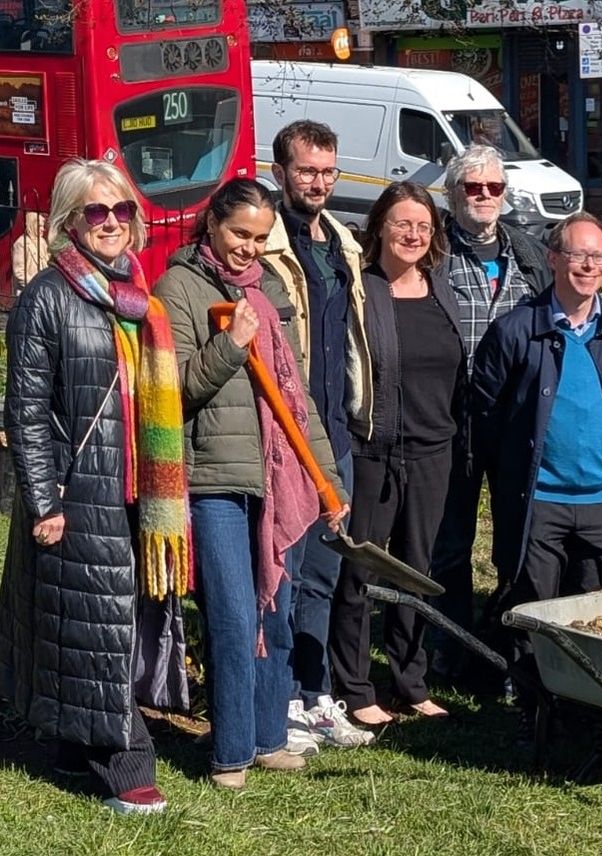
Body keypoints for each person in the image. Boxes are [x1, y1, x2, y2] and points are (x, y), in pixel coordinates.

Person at [0, 159, 191, 814]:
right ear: (68, 222)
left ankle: (69, 745)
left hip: (137, 490)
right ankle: (127, 761)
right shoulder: (47, 297)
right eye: (96, 212)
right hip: (79, 496)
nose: (111, 223)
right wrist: (44, 501)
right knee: (100, 623)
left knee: (104, 621)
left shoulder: (139, 297)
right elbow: (23, 412)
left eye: (121, 211)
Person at [154, 178, 349, 790]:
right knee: (235, 616)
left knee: (277, 610)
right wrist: (232, 345)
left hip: (276, 477)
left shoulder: (264, 290)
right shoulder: (176, 288)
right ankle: (231, 750)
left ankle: (268, 737)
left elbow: (296, 401)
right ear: (211, 223)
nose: (250, 248)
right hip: (211, 478)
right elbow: (175, 387)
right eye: (241, 233)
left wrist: (329, 482)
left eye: (261, 238)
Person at [472, 212, 602, 725]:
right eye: (578, 255)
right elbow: (485, 412)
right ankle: (535, 708)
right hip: (542, 502)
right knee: (537, 608)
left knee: (597, 610)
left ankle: (591, 710)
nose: (589, 265)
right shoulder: (516, 331)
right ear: (553, 259)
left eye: (598, 256)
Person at [331, 181, 464, 726]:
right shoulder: (363, 290)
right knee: (360, 571)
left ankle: (411, 679)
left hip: (435, 450)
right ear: (380, 226)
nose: (413, 234)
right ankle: (356, 688)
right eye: (403, 223)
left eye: (423, 226)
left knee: (416, 569)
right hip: (373, 451)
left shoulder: (441, 290)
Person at [261, 119, 373, 751]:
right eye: (307, 170)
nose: (319, 183)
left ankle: (317, 693)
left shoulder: (341, 243)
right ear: (281, 173)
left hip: (337, 428)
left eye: (329, 171)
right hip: (289, 430)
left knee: (327, 569)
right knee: (289, 569)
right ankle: (283, 698)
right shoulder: (270, 243)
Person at [428, 144, 552, 680]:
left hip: (515, 422)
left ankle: (508, 650)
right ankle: (450, 651)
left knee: (515, 540)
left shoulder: (527, 253)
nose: (483, 197)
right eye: (472, 188)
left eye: (493, 189)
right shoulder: (431, 252)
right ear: (453, 194)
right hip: (452, 418)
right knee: (449, 541)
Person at [11, 211, 47, 295]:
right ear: (32, 226)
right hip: (28, 290)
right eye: (39, 226)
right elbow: (19, 272)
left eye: (43, 226)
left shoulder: (42, 242)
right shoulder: (21, 243)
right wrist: (36, 284)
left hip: (43, 289)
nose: (43, 229)